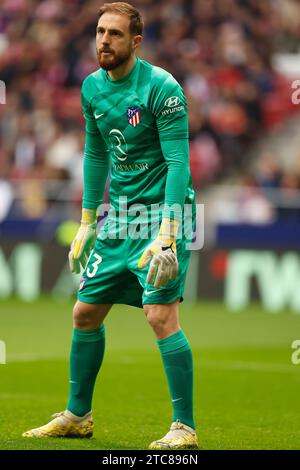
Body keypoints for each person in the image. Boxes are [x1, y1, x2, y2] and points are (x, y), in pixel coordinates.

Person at [22, 2, 198, 450]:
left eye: (115, 34)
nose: (104, 40)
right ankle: (78, 416)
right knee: (84, 311)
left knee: (160, 315)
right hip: (118, 217)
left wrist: (168, 233)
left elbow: (179, 162)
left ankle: (184, 427)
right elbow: (96, 154)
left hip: (161, 214)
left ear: (135, 42)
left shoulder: (163, 88)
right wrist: (86, 221)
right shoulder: (91, 89)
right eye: (100, 32)